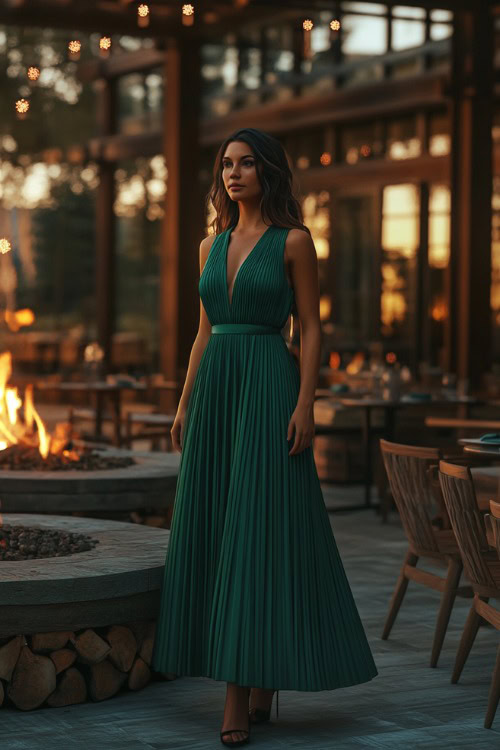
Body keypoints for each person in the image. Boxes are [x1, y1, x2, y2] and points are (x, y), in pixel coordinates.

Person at [151, 127, 377, 747]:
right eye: (227, 164)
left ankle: (238, 694)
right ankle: (258, 678)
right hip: (219, 393)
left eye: (247, 163)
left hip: (269, 388)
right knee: (218, 528)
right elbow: (203, 331)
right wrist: (184, 401)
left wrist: (307, 403)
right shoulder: (209, 244)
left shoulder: (294, 242)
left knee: (258, 533)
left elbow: (311, 330)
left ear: (269, 172)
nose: (234, 173)